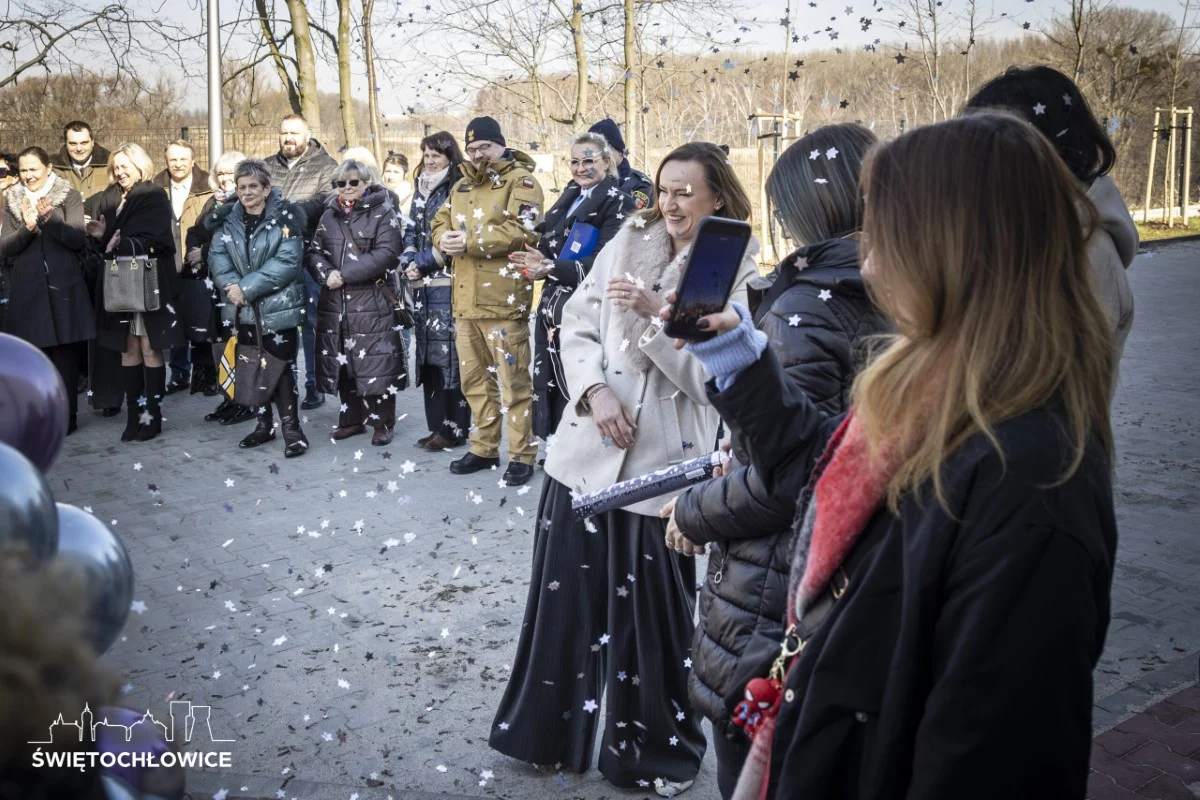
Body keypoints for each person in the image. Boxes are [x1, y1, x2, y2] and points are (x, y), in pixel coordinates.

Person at [672, 112, 1116, 800]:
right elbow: (824, 469)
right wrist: (740, 357)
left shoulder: (1028, 478)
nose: (867, 264)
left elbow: (987, 754)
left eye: (883, 239)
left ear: (956, 253)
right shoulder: (934, 389)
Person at [489, 142, 760, 797]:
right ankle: (547, 737)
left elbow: (716, 380)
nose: (669, 203)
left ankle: (655, 753)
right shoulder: (626, 238)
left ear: (717, 197)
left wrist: (656, 319)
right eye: (664, 189)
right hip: (582, 457)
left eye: (685, 192)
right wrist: (593, 391)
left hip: (659, 474)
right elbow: (576, 324)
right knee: (563, 610)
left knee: (652, 626)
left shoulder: (734, 268)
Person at [658, 124, 887, 799]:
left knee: (756, 765)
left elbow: (798, 472)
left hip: (773, 593)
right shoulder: (897, 291)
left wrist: (696, 510)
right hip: (847, 583)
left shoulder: (807, 305)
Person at [965, 65, 1136, 395]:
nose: (979, 162)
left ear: (1055, 151)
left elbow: (1047, 392)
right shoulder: (1015, 233)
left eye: (998, 144)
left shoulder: (1085, 253)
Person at [430, 116, 544, 485]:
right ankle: (484, 447)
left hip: (504, 303)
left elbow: (524, 228)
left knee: (513, 385)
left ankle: (522, 455)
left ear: (500, 144)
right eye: (473, 148)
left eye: (485, 147)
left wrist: (470, 240)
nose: (478, 154)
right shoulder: (461, 185)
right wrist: (441, 239)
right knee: (475, 383)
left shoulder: (522, 181)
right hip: (465, 305)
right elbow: (439, 221)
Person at [508, 130, 633, 440]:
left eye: (588, 161)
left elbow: (606, 261)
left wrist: (550, 267)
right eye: (574, 161)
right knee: (549, 381)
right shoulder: (571, 196)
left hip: (586, 309)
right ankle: (557, 444)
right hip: (553, 306)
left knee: (582, 380)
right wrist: (542, 257)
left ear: (607, 161)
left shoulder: (620, 202)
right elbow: (554, 245)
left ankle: (581, 447)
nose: (580, 168)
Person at [208, 159, 310, 458]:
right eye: (242, 187)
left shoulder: (287, 218)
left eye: (254, 186)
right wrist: (231, 287)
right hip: (242, 309)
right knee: (250, 366)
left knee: (280, 369)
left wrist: (247, 287)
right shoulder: (227, 220)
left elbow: (288, 262)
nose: (247, 192)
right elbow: (218, 257)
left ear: (267, 188)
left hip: (278, 309)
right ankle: (264, 425)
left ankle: (293, 430)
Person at [86, 142, 182, 443]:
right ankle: (133, 415)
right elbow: (107, 243)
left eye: (125, 166)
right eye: (115, 167)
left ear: (140, 166)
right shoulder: (110, 199)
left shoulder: (153, 195)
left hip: (148, 282)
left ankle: (151, 416)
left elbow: (159, 239)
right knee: (127, 348)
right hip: (119, 285)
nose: (119, 172)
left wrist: (123, 242)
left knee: (149, 347)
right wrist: (102, 237)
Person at [307, 158, 406, 446]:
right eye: (341, 183)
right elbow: (313, 252)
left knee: (377, 363)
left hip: (372, 300)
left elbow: (387, 253)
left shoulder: (382, 212)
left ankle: (382, 422)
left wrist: (343, 274)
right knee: (344, 365)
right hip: (336, 302)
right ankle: (351, 419)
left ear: (366, 183)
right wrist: (325, 274)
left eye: (354, 182)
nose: (347, 188)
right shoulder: (328, 215)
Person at [0, 146, 95, 434]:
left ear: (48, 169)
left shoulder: (69, 196)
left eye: (34, 170)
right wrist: (28, 228)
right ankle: (41, 414)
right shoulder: (11, 200)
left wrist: (51, 220)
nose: (28, 176)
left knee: (65, 355)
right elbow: (5, 247)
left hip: (64, 285)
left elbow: (78, 238)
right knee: (36, 356)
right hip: (28, 289)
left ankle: (68, 417)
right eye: (24, 170)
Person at [264, 113, 340, 411]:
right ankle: (284, 385)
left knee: (311, 323)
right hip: (274, 257)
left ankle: (314, 385)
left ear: (307, 135)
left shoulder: (326, 166)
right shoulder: (267, 167)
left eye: (294, 132)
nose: (288, 138)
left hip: (310, 256)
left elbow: (329, 201)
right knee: (280, 323)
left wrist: (296, 212)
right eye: (284, 132)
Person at [402, 131, 472, 451]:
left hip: (447, 282)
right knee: (428, 358)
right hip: (421, 286)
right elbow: (411, 232)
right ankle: (436, 427)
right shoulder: (420, 189)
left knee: (450, 360)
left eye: (436, 156)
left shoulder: (457, 188)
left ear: (449, 157)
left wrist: (424, 262)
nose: (429, 161)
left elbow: (456, 237)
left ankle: (454, 429)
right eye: (426, 155)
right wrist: (408, 262)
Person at [187, 150, 256, 428]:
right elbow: (195, 230)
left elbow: (235, 242)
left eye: (231, 174)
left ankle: (245, 402)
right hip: (214, 285)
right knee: (221, 342)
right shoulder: (212, 203)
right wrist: (196, 247)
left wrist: (203, 251)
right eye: (222, 174)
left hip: (238, 284)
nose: (225, 179)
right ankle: (229, 398)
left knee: (241, 343)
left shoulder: (244, 204)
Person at [152, 139, 216, 396]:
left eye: (182, 159)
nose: (177, 164)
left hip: (197, 261)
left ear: (193, 160)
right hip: (167, 263)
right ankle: (179, 375)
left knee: (201, 319)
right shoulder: (156, 188)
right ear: (165, 161)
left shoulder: (207, 186)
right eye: (172, 160)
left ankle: (205, 377)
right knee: (174, 321)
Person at [588, 119, 654, 210]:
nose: (597, 154)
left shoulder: (640, 185)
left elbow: (634, 221)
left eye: (604, 148)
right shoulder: (585, 181)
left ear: (619, 151)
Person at [49, 121, 112, 207]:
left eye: (84, 143)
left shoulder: (110, 165)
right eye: (73, 144)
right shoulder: (53, 169)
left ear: (92, 142)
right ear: (66, 144)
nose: (79, 148)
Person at [383, 152, 413, 216]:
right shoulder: (377, 197)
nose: (391, 177)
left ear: (405, 175)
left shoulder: (411, 202)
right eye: (387, 171)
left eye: (396, 172)